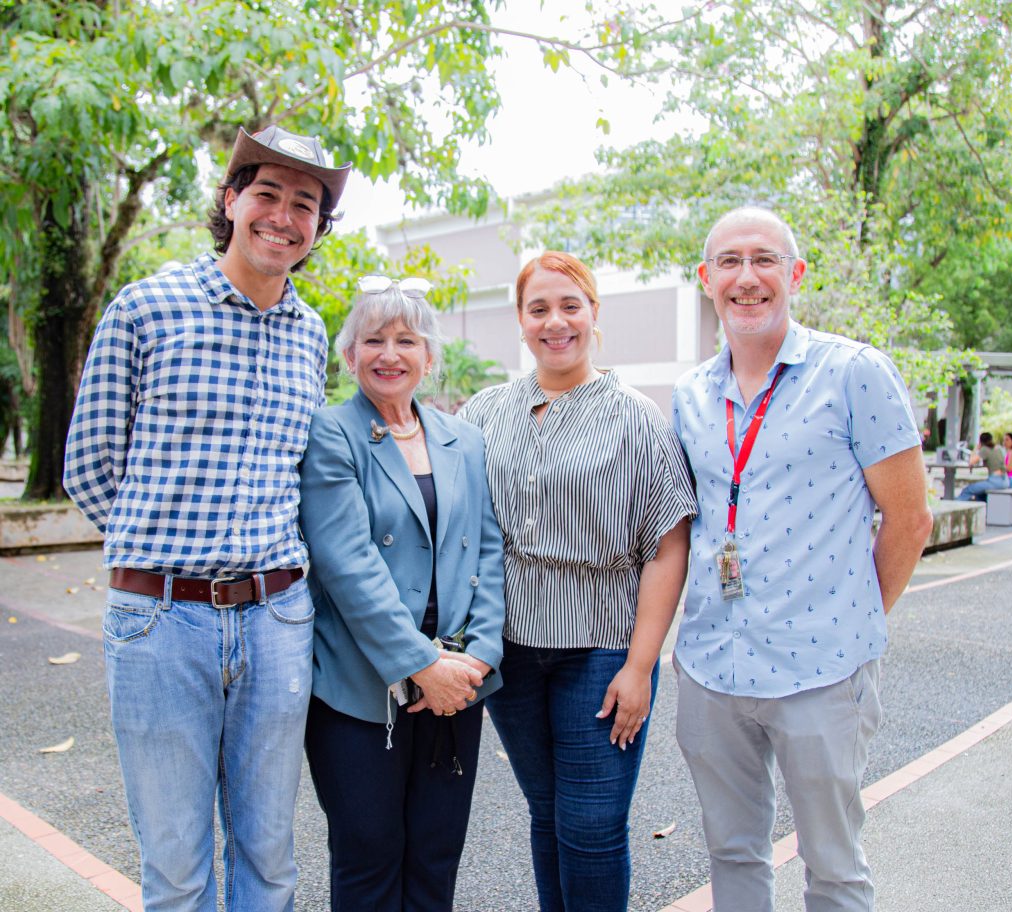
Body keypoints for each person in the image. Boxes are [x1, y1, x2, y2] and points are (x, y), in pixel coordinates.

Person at [63, 126, 350, 911]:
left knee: (269, 856)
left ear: (318, 230)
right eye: (267, 195)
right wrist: (159, 552)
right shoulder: (147, 307)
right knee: (178, 867)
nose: (283, 217)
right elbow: (89, 469)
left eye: (305, 206)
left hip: (277, 618)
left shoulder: (311, 333)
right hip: (160, 621)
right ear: (231, 200)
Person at [672, 207, 933, 912]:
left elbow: (909, 521)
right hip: (711, 665)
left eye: (765, 259)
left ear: (796, 274)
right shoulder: (691, 395)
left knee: (834, 866)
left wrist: (852, 621)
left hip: (823, 670)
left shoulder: (856, 373)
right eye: (729, 261)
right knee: (731, 854)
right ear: (706, 279)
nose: (747, 277)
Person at [460, 251, 697, 912]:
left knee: (592, 826)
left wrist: (641, 668)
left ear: (594, 315)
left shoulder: (637, 418)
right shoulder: (484, 413)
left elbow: (667, 547)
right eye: (539, 308)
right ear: (520, 320)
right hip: (508, 651)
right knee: (547, 812)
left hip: (599, 648)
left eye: (571, 305)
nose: (555, 321)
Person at [298, 277, 505, 912]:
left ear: (429, 356)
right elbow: (347, 565)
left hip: (455, 684)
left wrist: (478, 657)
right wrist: (421, 664)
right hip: (361, 686)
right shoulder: (332, 433)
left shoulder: (462, 438)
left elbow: (488, 548)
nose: (390, 354)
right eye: (374, 340)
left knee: (437, 854)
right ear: (349, 355)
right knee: (369, 854)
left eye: (406, 340)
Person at [957, 431, 1009, 500]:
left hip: (995, 481)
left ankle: (955, 507)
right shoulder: (998, 448)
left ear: (980, 441)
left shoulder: (985, 449)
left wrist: (976, 448)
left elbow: (971, 462)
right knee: (980, 494)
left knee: (968, 490)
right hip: (1005, 480)